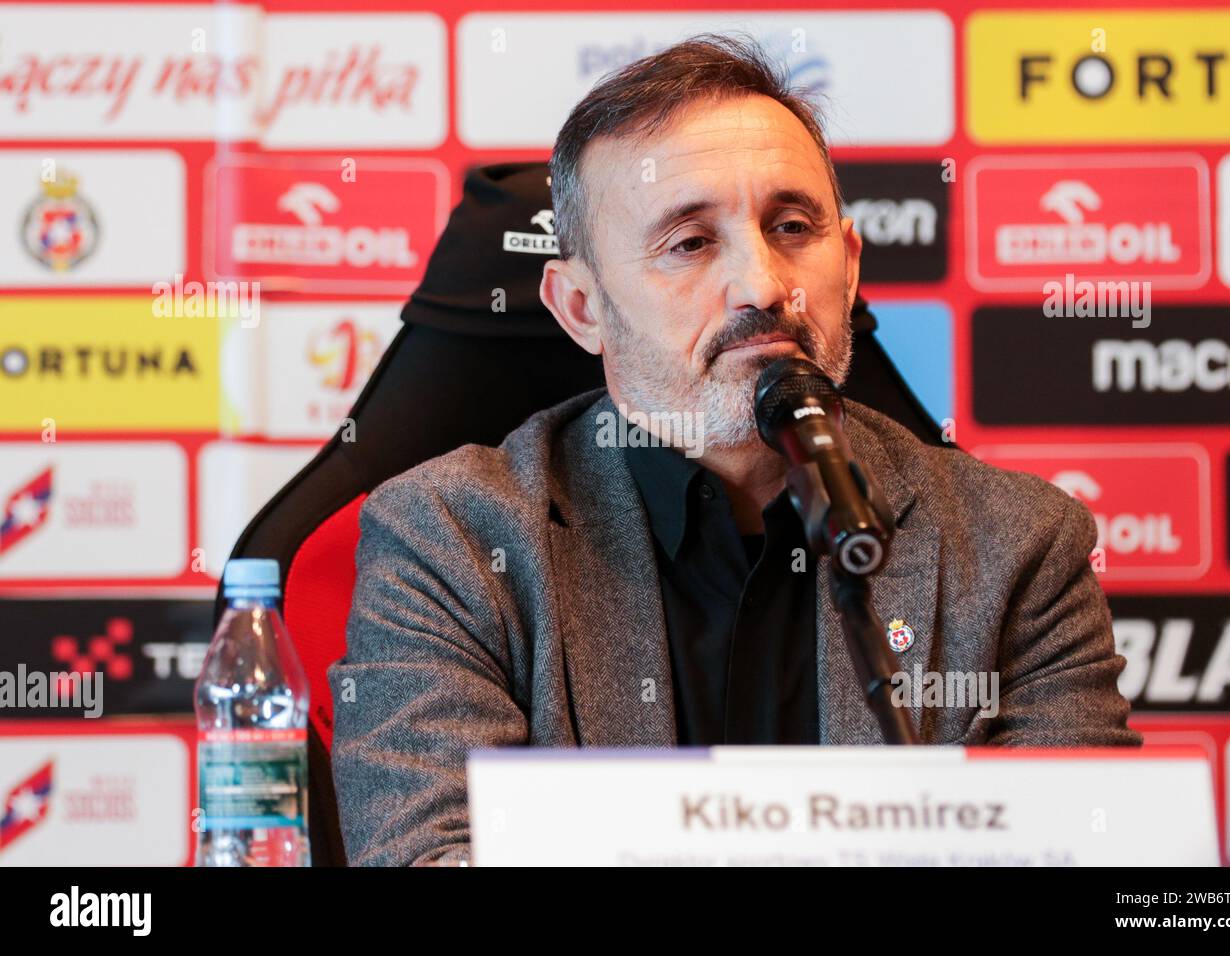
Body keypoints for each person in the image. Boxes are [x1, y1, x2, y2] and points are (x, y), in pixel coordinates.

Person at [328, 33, 1140, 867]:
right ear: (580, 307)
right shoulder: (451, 539)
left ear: (850, 268)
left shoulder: (1022, 544)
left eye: (793, 227)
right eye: (690, 242)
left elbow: (1086, 851)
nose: (762, 284)